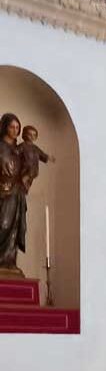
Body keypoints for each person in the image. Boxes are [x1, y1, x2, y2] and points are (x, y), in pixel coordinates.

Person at [0, 113, 27, 273]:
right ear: (4, 127)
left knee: (15, 228)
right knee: (3, 225)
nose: (15, 130)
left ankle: (9, 262)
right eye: (11, 126)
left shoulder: (19, 149)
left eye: (17, 127)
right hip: (3, 192)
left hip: (17, 193)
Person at [18, 124, 54, 192]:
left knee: (29, 182)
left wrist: (48, 157)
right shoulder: (22, 146)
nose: (32, 137)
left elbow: (42, 154)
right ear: (25, 134)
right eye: (29, 134)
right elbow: (15, 153)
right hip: (25, 168)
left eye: (34, 135)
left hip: (34, 169)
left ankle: (25, 188)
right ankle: (23, 187)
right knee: (23, 181)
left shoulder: (35, 148)